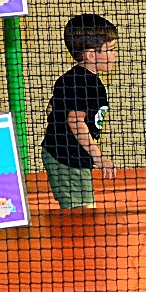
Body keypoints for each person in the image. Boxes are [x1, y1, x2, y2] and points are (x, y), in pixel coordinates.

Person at [41, 13, 118, 209]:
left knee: (78, 209)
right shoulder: (90, 84)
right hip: (68, 159)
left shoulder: (68, 78)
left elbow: (51, 109)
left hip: (60, 154)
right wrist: (98, 156)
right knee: (81, 211)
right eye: (110, 50)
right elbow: (76, 121)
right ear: (91, 55)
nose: (115, 55)